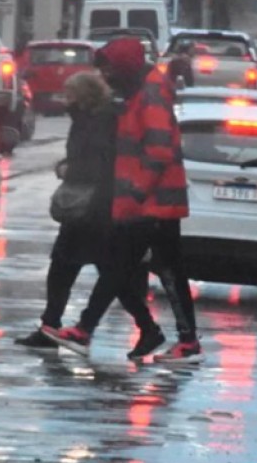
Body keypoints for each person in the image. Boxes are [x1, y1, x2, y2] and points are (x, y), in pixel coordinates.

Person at [51, 37, 201, 363]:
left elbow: (158, 150)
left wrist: (136, 190)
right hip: (147, 202)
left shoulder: (150, 94)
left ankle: (88, 329)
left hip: (152, 202)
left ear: (124, 68)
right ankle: (177, 339)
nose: (106, 76)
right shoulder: (141, 91)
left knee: (136, 267)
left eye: (109, 69)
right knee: (131, 266)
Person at [16, 71, 162, 353]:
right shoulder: (83, 119)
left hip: (99, 207)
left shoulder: (105, 120)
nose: (64, 99)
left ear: (86, 95)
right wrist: (66, 165)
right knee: (68, 265)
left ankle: (144, 328)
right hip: (86, 207)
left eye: (70, 94)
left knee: (103, 270)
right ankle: (51, 325)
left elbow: (102, 163)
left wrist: (72, 170)